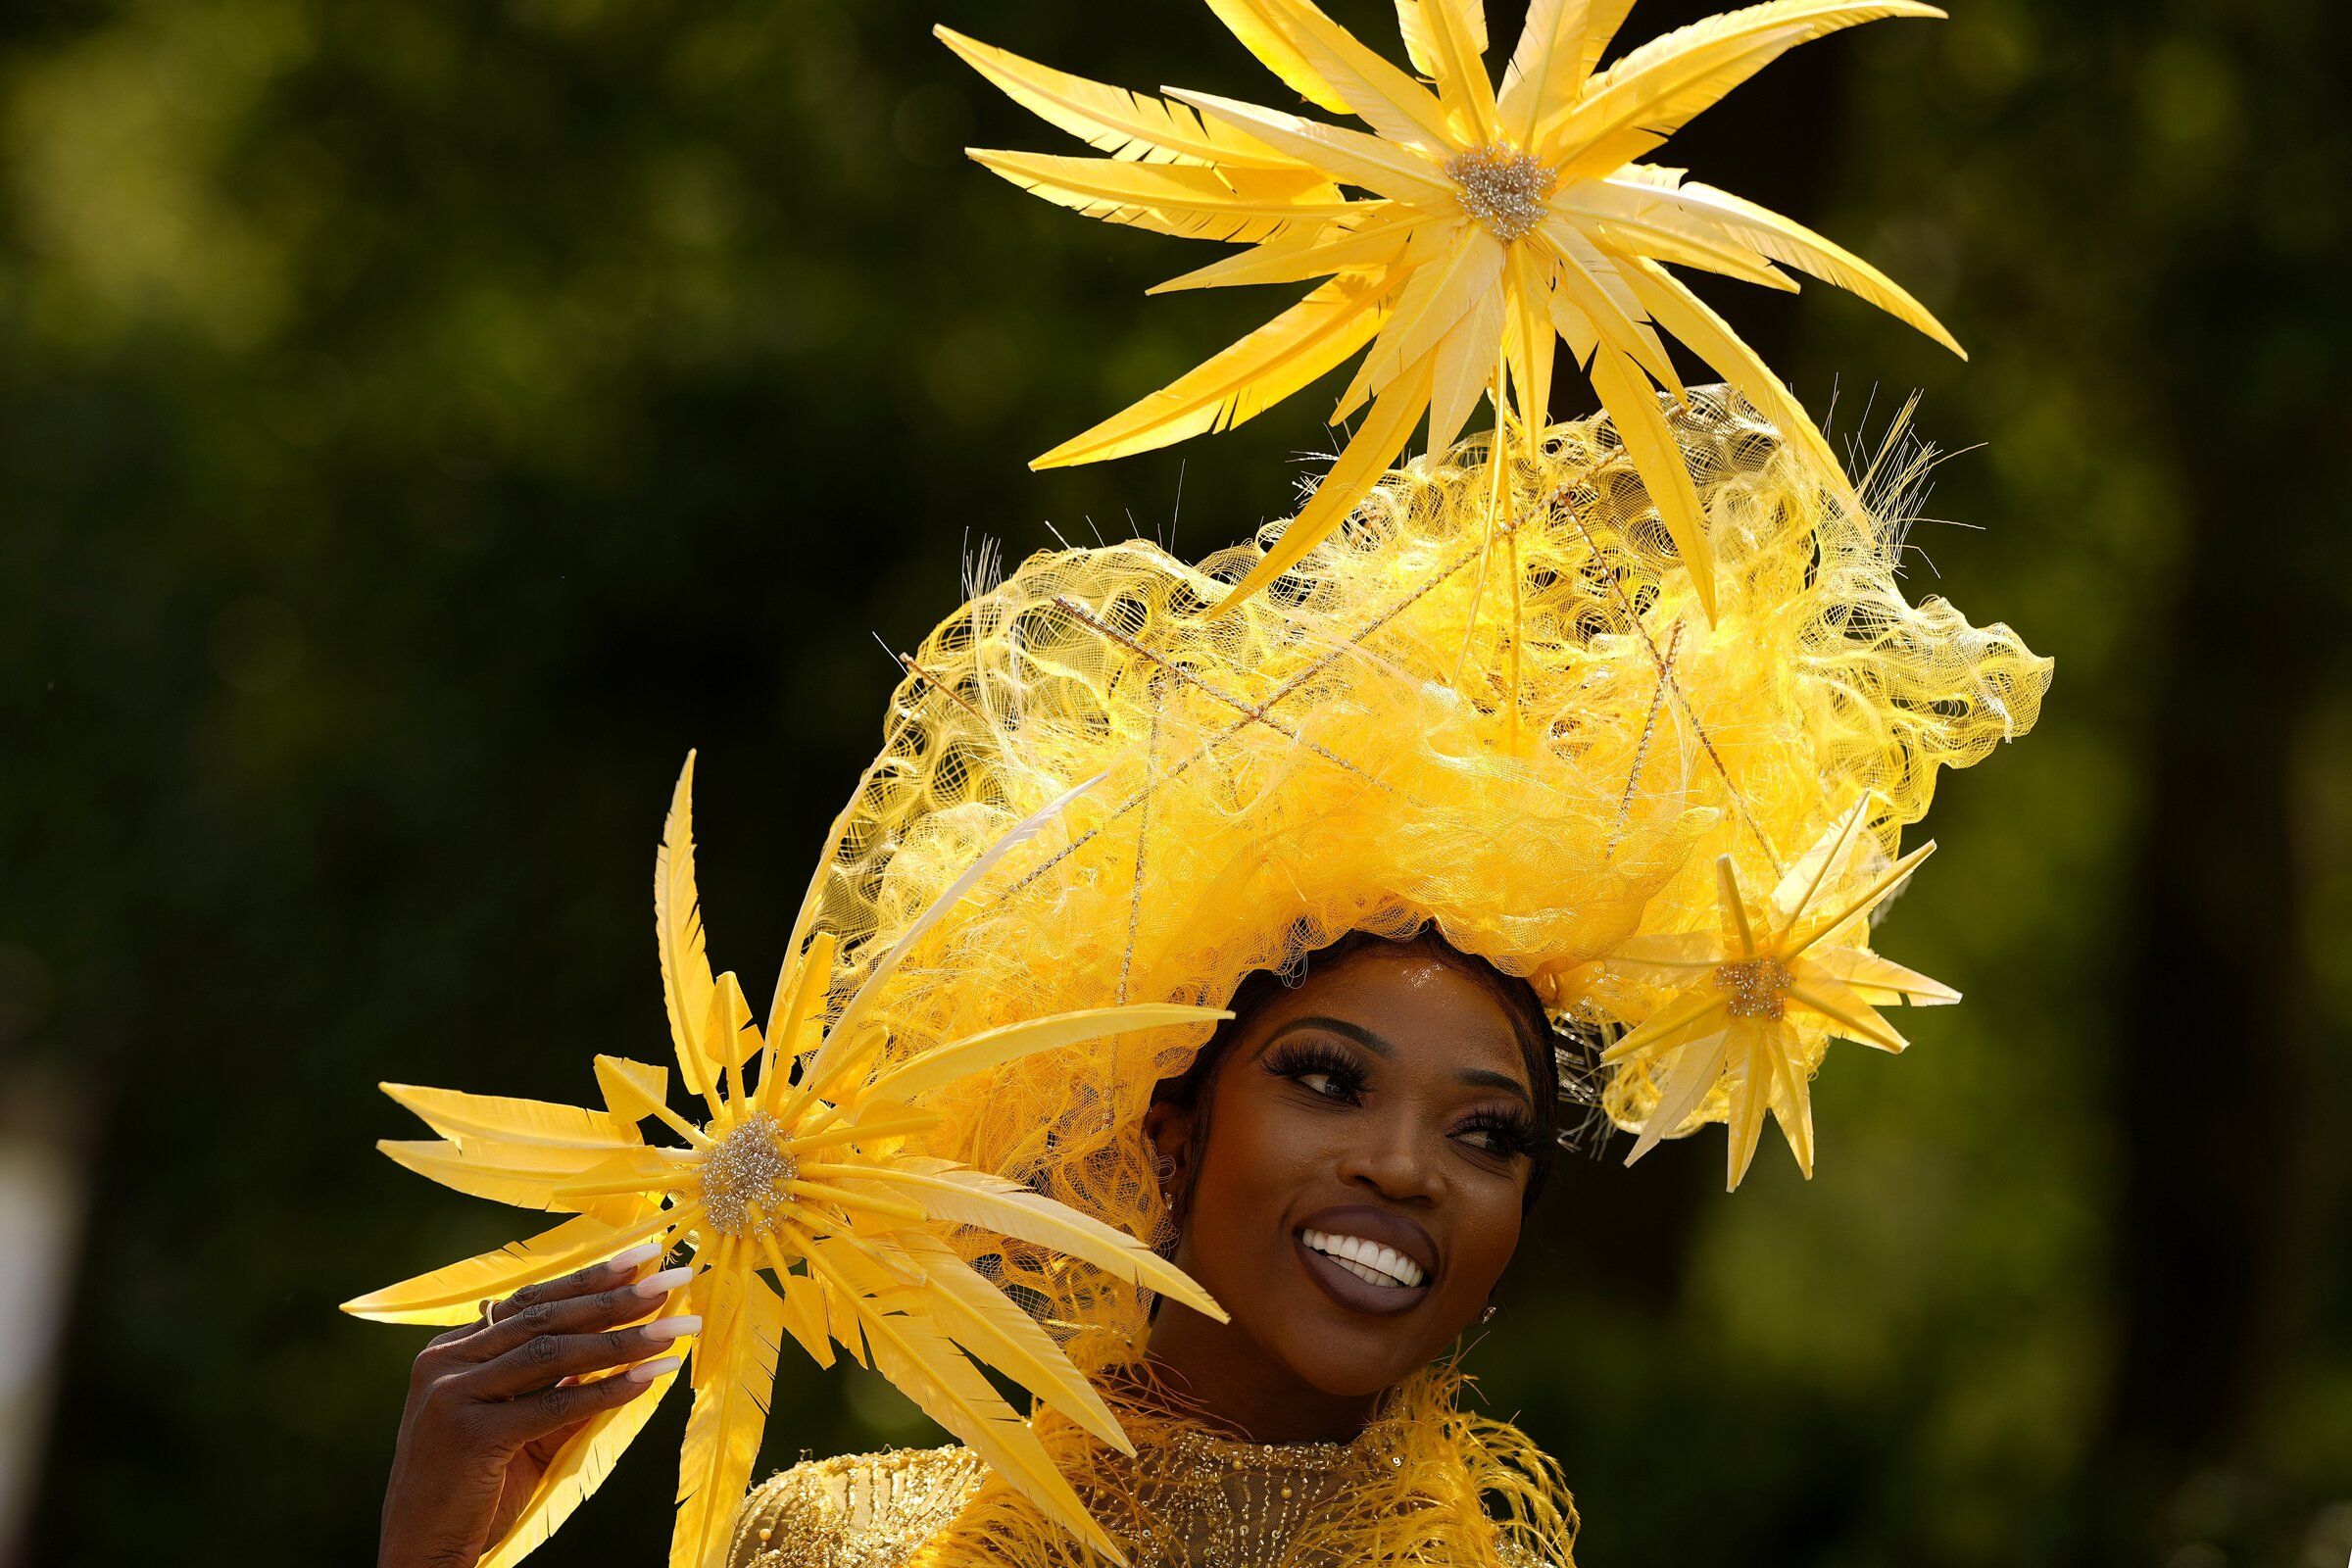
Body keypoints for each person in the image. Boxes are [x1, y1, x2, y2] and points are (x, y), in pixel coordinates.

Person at [378, 927, 1580, 1567]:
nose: (1410, 1167)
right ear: (1170, 1138)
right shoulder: (839, 1545)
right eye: (1328, 1079)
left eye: (1488, 1133)